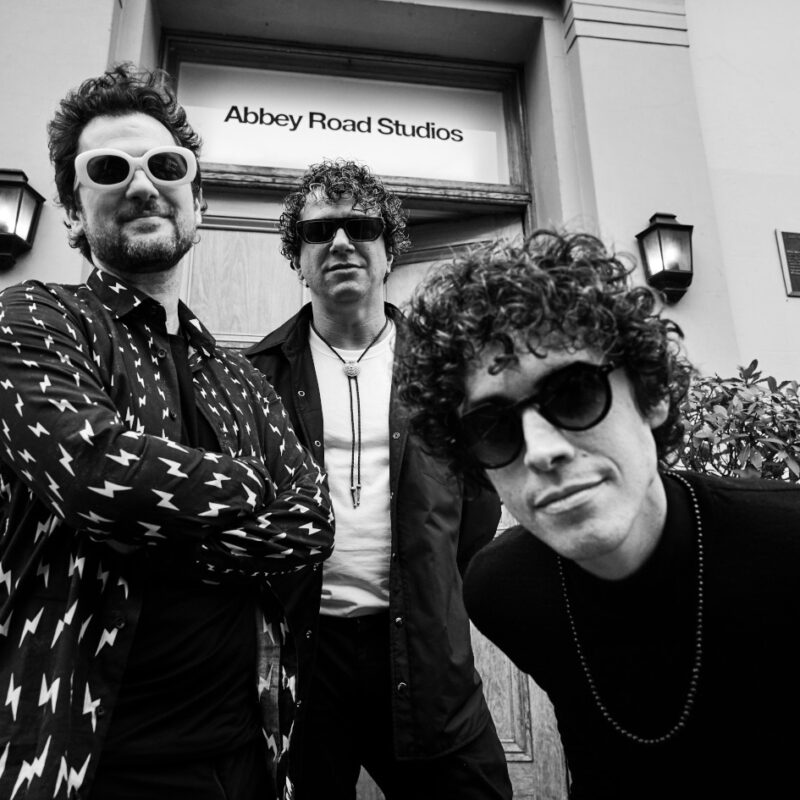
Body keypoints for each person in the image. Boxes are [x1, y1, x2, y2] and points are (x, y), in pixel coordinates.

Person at [0, 64, 334, 800]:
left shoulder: (241, 377)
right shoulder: (34, 318)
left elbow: (311, 522)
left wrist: (151, 526)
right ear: (71, 213)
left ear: (198, 200)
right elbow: (97, 478)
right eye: (109, 169)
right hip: (85, 761)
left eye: (166, 165)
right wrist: (250, 487)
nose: (143, 184)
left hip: (248, 755)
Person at [396, 230, 800, 799]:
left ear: (651, 396)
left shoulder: (788, 547)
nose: (542, 451)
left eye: (574, 394)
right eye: (493, 427)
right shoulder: (501, 592)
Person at [246, 159, 512, 799]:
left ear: (389, 251)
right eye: (319, 231)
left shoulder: (446, 368)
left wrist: (430, 578)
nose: (340, 242)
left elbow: (478, 510)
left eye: (361, 226)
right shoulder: (255, 377)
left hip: (426, 651)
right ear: (298, 259)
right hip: (305, 660)